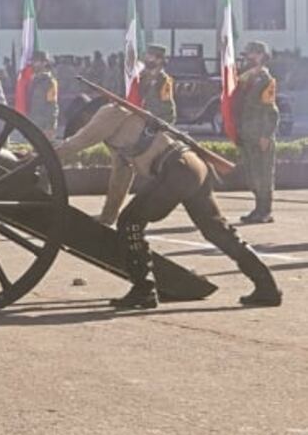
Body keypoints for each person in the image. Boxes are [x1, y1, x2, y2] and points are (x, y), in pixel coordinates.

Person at [55, 100, 282, 309]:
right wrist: (108, 216)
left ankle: (144, 289)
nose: (83, 128)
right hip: (191, 166)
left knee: (130, 222)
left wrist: (43, 156)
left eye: (82, 124)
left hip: (176, 169)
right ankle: (267, 287)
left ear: (86, 115)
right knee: (217, 231)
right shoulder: (118, 134)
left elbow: (80, 142)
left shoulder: (109, 112)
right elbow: (121, 176)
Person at [234, 41, 279, 224]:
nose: (249, 57)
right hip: (247, 134)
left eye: (253, 54)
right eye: (248, 54)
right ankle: (258, 209)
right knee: (252, 175)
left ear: (262, 56)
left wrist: (266, 135)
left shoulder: (266, 80)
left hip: (260, 134)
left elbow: (272, 112)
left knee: (263, 174)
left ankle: (265, 211)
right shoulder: (246, 79)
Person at [138, 44, 176, 124]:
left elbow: (166, 108)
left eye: (150, 56)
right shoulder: (141, 76)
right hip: (140, 118)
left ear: (159, 60)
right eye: (147, 56)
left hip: (157, 121)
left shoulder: (164, 80)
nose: (147, 58)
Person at [28, 50, 58, 139]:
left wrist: (50, 126)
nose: (33, 64)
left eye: (36, 61)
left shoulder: (49, 82)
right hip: (33, 121)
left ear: (44, 63)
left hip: (44, 124)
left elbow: (52, 105)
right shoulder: (34, 79)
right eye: (33, 61)